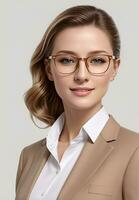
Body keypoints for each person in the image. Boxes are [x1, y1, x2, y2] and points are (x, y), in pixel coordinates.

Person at [15, 5, 139, 200]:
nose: (81, 75)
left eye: (97, 60)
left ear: (114, 68)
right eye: (67, 60)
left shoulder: (134, 151)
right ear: (49, 69)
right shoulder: (29, 157)